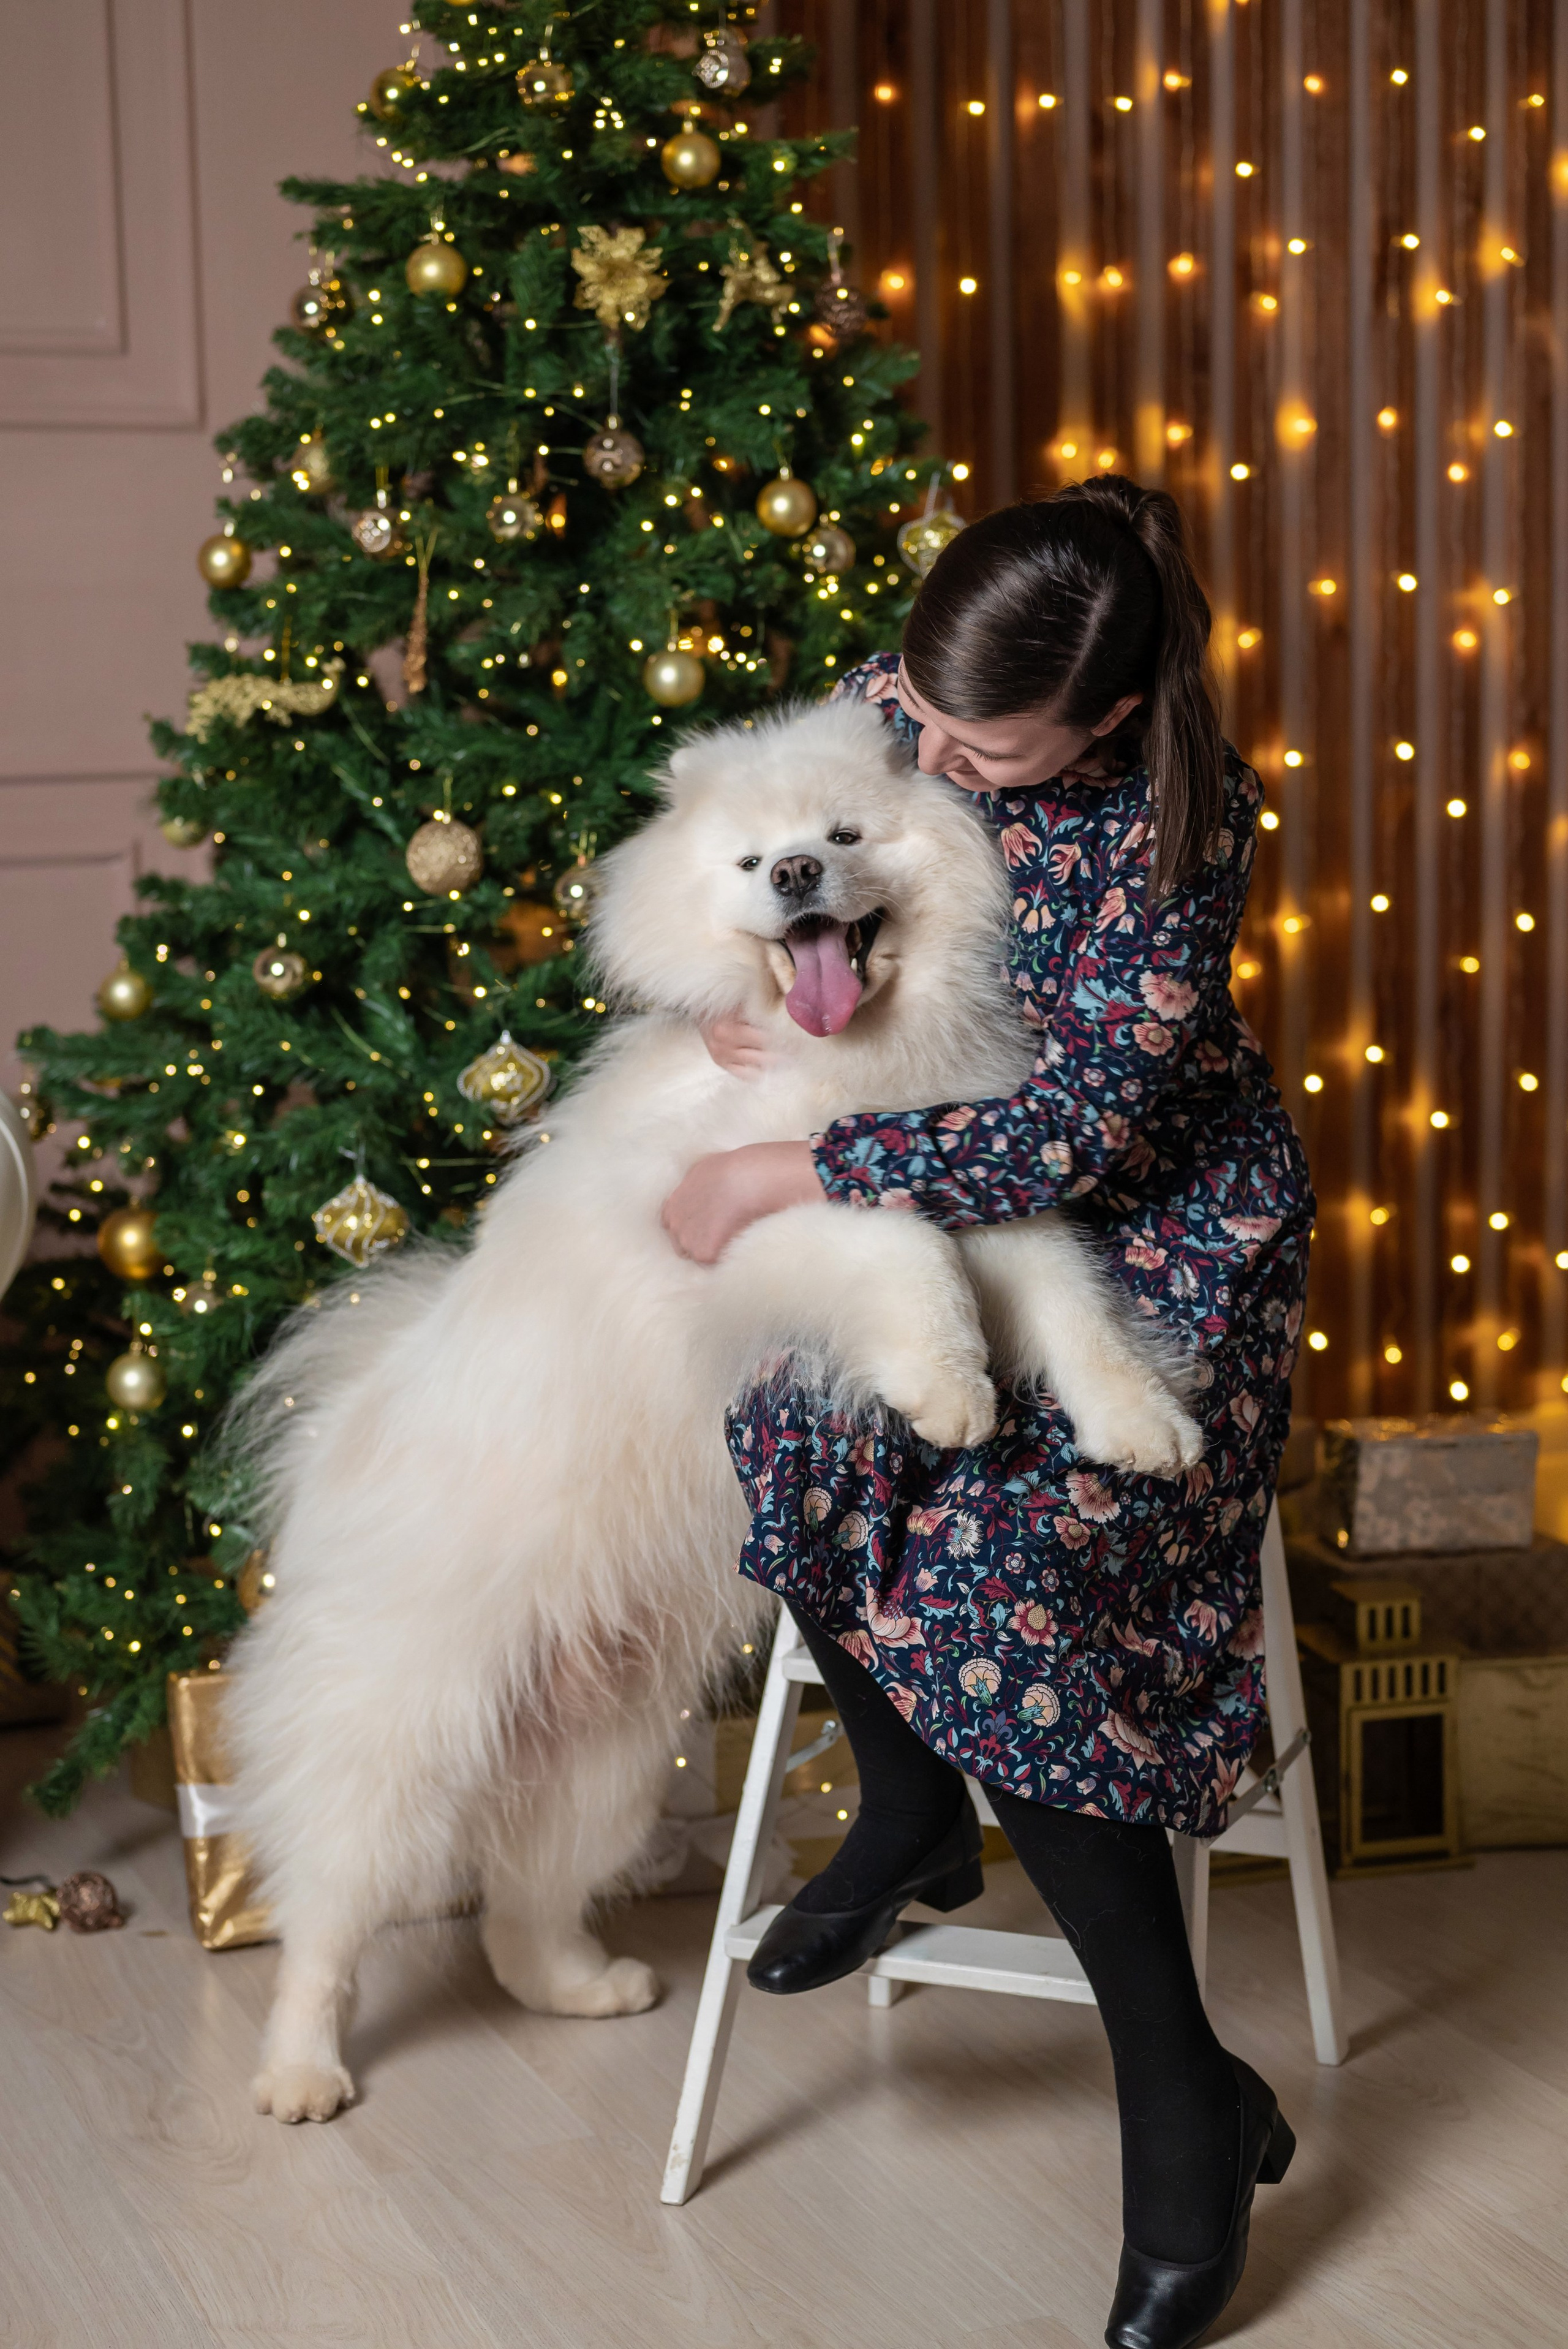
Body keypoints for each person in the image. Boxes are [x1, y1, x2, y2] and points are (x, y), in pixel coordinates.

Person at [661, 477, 1310, 2349]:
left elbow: (1080, 1133)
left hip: (1159, 1232)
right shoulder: (903, 703)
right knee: (784, 1414)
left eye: (978, 746)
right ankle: (911, 1799)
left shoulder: (1180, 825)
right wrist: (758, 990)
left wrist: (792, 1161)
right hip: (907, 1167)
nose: (928, 752)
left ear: (1108, 715)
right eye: (922, 720)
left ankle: (1182, 2103)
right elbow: (762, 858)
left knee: (1003, 1547)